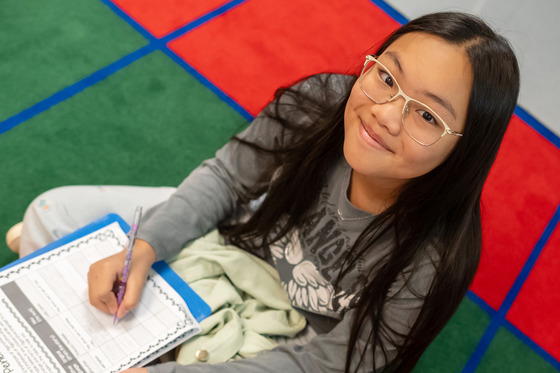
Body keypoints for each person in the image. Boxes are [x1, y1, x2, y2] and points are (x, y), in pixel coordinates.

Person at [11, 11, 519, 373]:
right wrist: (143, 249)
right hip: (240, 241)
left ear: (465, 150)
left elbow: (335, 361)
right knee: (47, 215)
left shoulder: (434, 257)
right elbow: (229, 177)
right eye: (387, 76)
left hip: (298, 342)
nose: (386, 113)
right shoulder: (321, 103)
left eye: (427, 115)